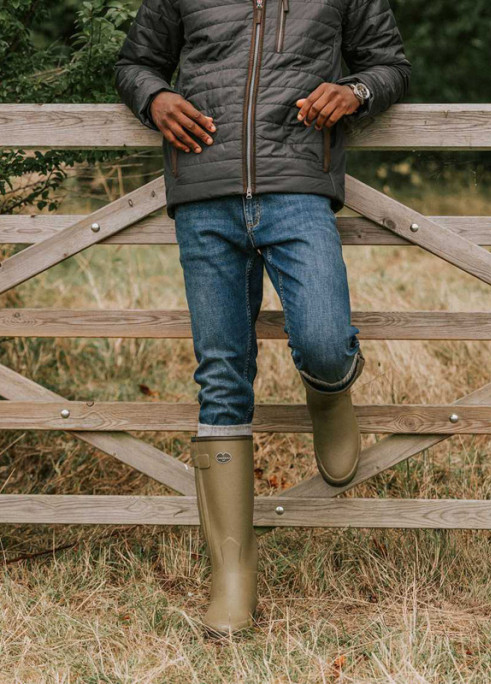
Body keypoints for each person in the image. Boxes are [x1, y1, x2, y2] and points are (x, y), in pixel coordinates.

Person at [114, 0, 411, 637]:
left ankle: (328, 395)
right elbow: (136, 63)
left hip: (298, 189)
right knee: (221, 376)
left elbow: (390, 66)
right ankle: (232, 578)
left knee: (327, 342)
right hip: (203, 195)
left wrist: (356, 91)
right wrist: (154, 98)